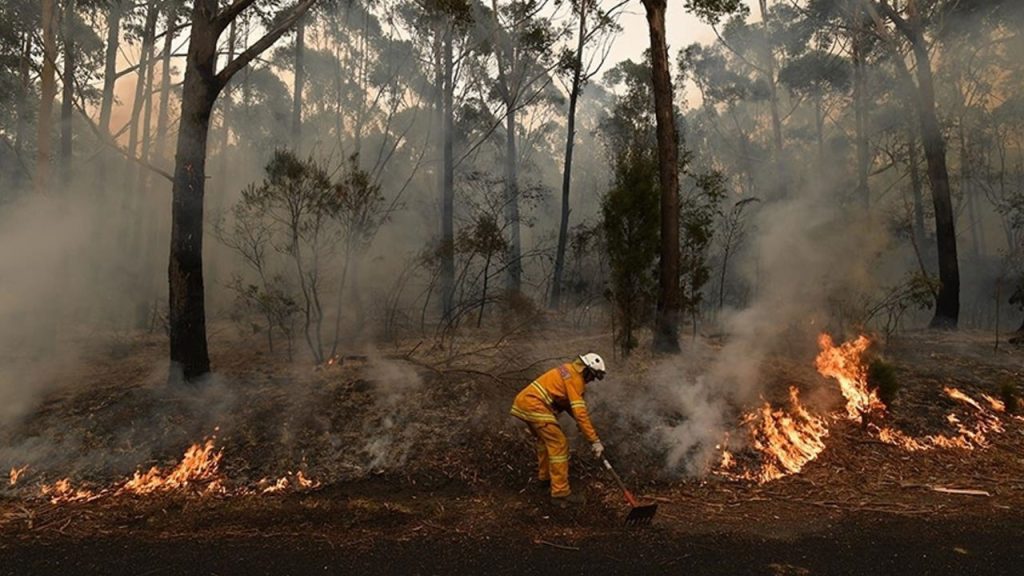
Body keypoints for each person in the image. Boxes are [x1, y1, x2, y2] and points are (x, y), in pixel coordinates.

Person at [509, 353, 606, 507]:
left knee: (544, 440)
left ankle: (544, 479)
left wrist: (581, 425)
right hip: (535, 405)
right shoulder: (576, 380)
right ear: (585, 370)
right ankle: (560, 494)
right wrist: (595, 441)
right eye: (592, 376)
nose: (591, 380)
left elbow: (565, 403)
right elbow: (580, 413)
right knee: (559, 444)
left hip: (525, 402)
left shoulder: (568, 370)